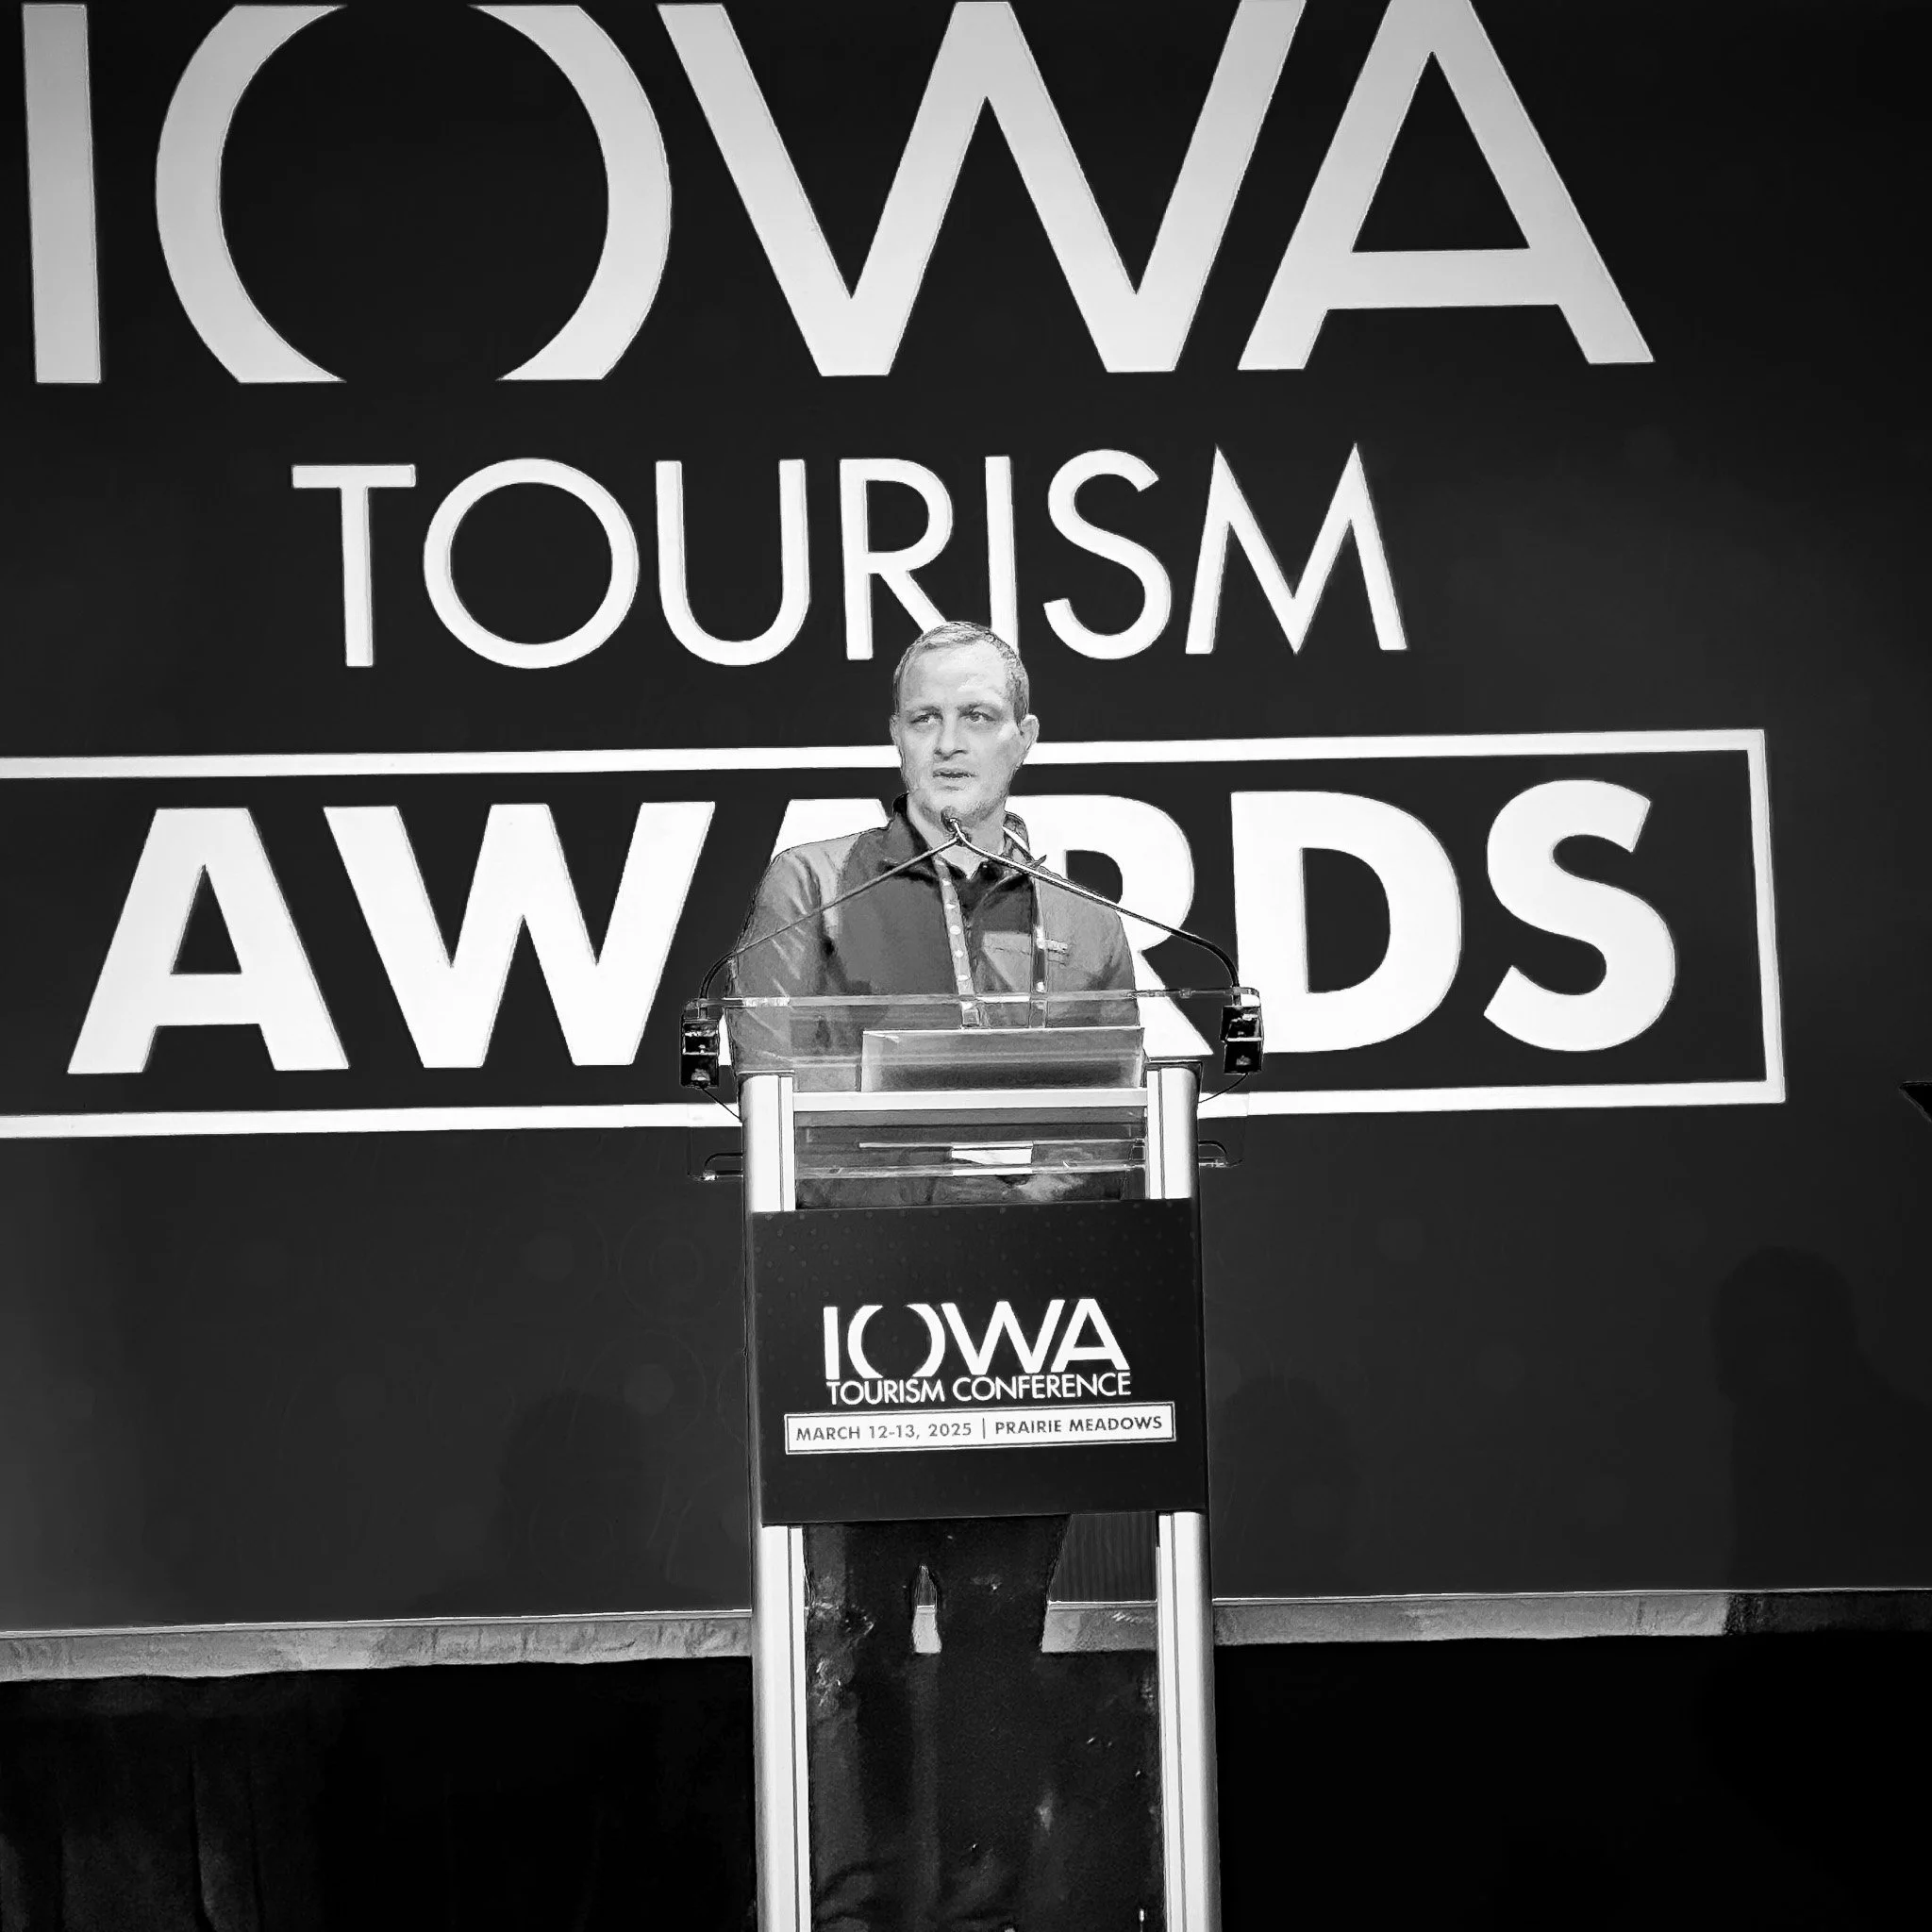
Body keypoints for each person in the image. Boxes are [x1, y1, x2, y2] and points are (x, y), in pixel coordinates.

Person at [728, 619, 1139, 1931]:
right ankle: (849, 1915)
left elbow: (1118, 1126)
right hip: (853, 1324)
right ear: (893, 738)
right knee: (849, 1659)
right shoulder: (819, 884)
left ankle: (984, 1914)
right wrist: (950, 1162)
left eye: (977, 718)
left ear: (1026, 740)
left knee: (995, 1650)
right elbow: (763, 1074)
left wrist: (1039, 1179)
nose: (950, 744)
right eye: (924, 720)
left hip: (1020, 1330)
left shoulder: (1083, 920)